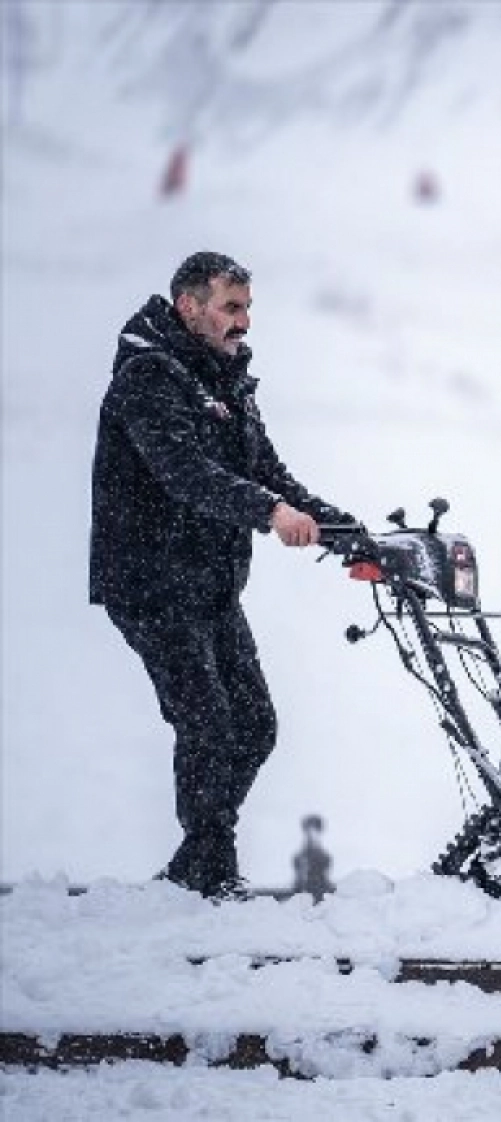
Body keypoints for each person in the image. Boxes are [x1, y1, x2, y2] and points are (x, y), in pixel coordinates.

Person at [90, 251, 352, 900]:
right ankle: (208, 873)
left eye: (248, 308)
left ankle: (193, 867)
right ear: (189, 306)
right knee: (208, 724)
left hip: (207, 583)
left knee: (255, 725)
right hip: (151, 583)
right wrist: (271, 514)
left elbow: (268, 472)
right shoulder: (149, 377)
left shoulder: (224, 379)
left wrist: (352, 532)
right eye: (231, 308)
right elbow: (184, 475)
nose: (244, 323)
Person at [292, 814, 334, 903]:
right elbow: (299, 878)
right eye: (309, 829)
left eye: (315, 829)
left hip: (320, 890)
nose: (312, 833)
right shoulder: (302, 856)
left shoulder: (322, 855)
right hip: (306, 892)